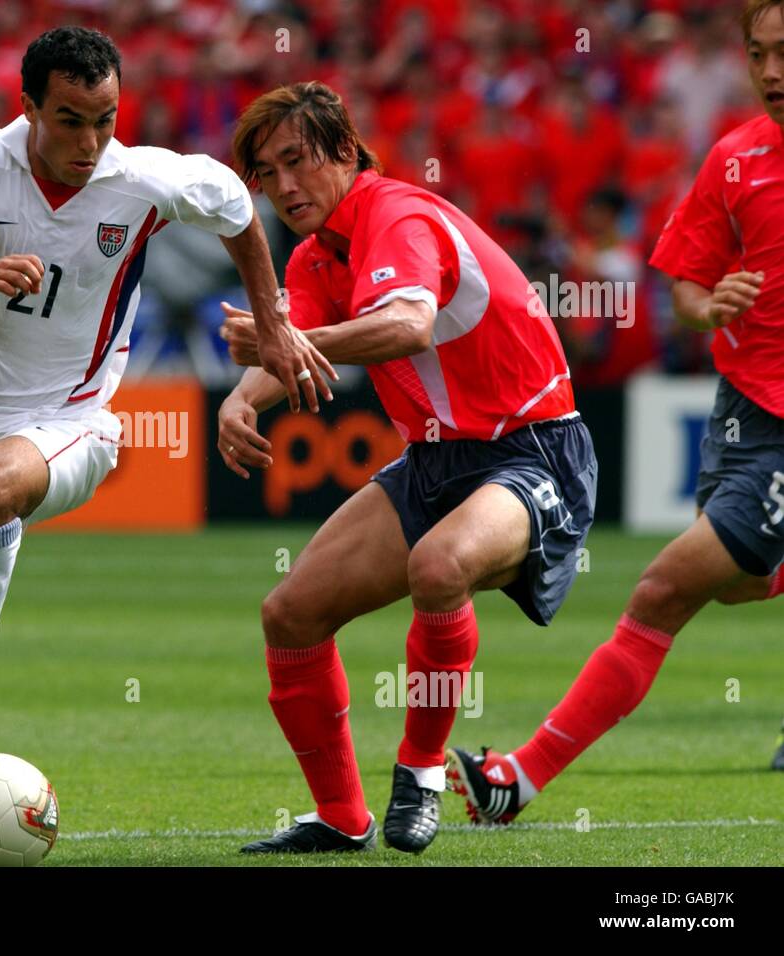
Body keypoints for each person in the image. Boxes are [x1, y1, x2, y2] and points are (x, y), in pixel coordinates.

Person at [0, 26, 334, 863]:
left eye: (105, 118)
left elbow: (239, 212)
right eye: (69, 119)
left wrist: (277, 324)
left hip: (74, 421)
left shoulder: (141, 177)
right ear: (27, 106)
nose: (89, 141)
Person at [217, 81, 597, 854]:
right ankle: (340, 819)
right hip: (434, 460)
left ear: (347, 153)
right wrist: (242, 399)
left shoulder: (398, 215)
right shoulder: (316, 255)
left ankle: (420, 772)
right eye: (267, 173)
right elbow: (301, 343)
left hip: (535, 449)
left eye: (298, 161)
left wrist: (285, 350)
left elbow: (407, 323)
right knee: (289, 615)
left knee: (440, 565)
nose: (284, 186)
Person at [448, 0, 784, 826]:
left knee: (663, 588)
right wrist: (711, 308)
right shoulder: (736, 160)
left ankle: (515, 781)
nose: (771, 72)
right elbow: (685, 286)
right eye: (757, 53)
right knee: (743, 584)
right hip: (741, 410)